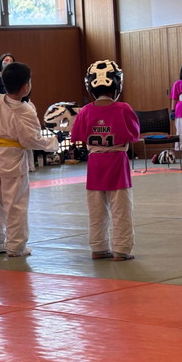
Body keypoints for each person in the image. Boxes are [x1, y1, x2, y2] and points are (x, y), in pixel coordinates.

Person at [0, 62, 60, 257]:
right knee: (16, 205)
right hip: (14, 161)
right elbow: (31, 140)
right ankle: (16, 246)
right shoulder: (26, 110)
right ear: (26, 86)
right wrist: (54, 142)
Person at [70, 60, 140, 261]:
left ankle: (98, 247)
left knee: (96, 209)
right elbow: (134, 134)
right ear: (117, 84)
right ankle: (122, 249)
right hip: (117, 161)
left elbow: (77, 135)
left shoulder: (85, 111)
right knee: (121, 209)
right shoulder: (123, 108)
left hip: (95, 163)